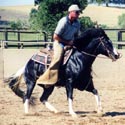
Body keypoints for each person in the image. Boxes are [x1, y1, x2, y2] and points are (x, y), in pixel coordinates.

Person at [37, 4, 81, 85]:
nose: (79, 14)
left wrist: (75, 42)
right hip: (59, 43)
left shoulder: (77, 23)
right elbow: (55, 36)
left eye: (79, 12)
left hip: (70, 43)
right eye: (77, 12)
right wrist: (67, 42)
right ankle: (47, 79)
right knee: (57, 58)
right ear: (71, 12)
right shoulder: (63, 22)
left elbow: (77, 35)